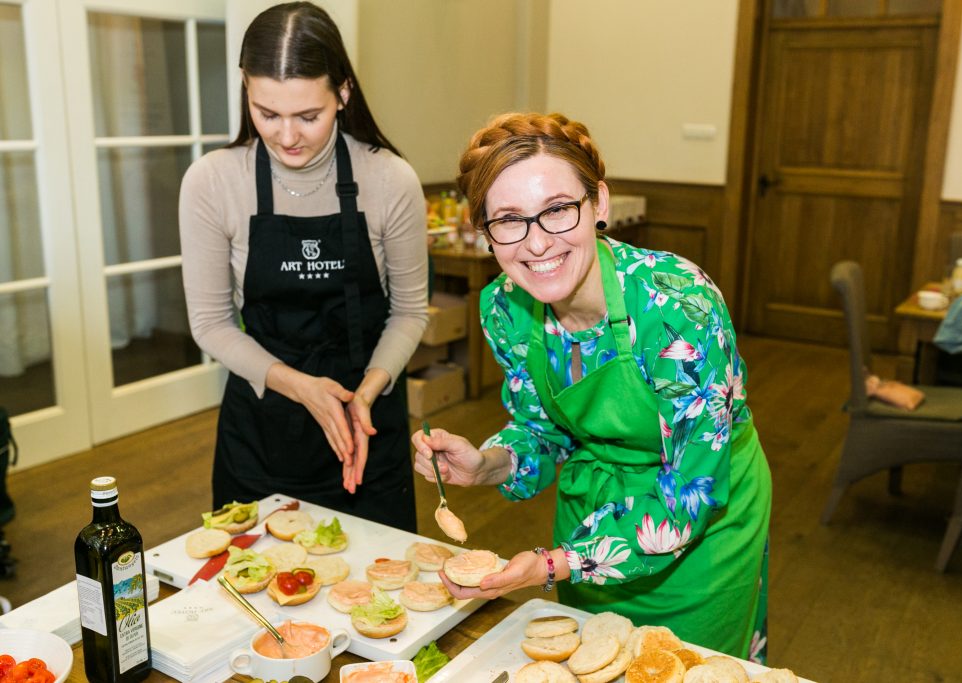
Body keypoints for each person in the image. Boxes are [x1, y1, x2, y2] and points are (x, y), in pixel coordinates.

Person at [411, 113, 771, 661]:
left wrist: (550, 564)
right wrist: (488, 465)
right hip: (592, 522)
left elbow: (690, 492)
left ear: (598, 204)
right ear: (484, 231)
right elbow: (542, 430)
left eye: (557, 209)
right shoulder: (505, 309)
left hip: (703, 530)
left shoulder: (676, 305)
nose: (536, 244)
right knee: (591, 660)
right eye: (508, 220)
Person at [180, 2, 427, 531]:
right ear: (245, 89)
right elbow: (211, 324)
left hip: (366, 423)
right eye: (266, 113)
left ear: (342, 93)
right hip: (262, 426)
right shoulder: (213, 182)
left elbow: (409, 311)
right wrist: (302, 387)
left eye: (307, 116)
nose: (286, 136)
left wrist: (364, 393)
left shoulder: (389, 180)